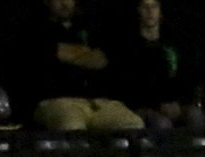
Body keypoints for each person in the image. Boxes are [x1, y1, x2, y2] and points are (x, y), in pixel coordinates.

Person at [26, 0, 144, 133]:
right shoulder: (37, 28)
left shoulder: (90, 25)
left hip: (99, 102)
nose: (65, 4)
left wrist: (69, 54)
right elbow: (53, 53)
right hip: (58, 100)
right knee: (71, 126)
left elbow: (101, 59)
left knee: (133, 125)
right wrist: (85, 53)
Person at [110, 0, 205, 133]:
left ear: (160, 12)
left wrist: (178, 103)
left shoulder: (173, 44)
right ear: (138, 11)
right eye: (145, 7)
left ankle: (196, 154)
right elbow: (131, 85)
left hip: (175, 104)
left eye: (154, 6)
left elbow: (187, 76)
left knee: (195, 115)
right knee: (161, 123)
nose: (150, 11)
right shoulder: (130, 47)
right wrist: (157, 106)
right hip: (144, 107)